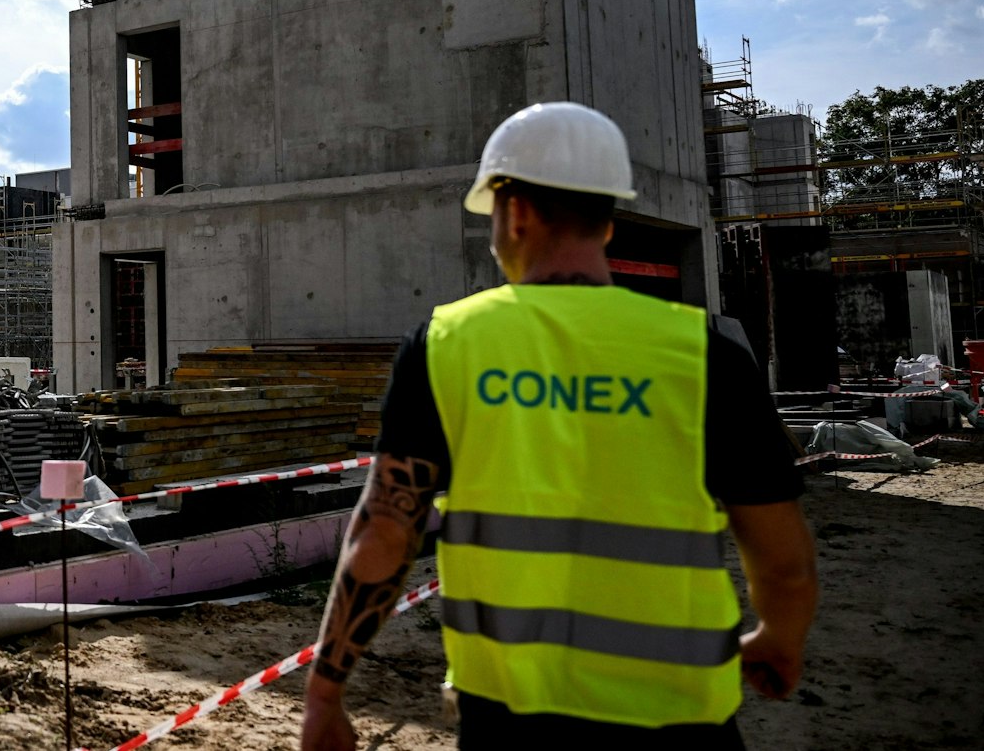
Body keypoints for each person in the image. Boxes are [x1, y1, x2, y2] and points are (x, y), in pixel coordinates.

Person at [299, 102, 818, 750]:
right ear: (606, 218)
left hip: (510, 724)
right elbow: (786, 563)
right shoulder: (704, 351)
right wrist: (779, 636)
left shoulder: (444, 345)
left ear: (514, 211)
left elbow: (383, 532)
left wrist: (325, 690)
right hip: (681, 723)